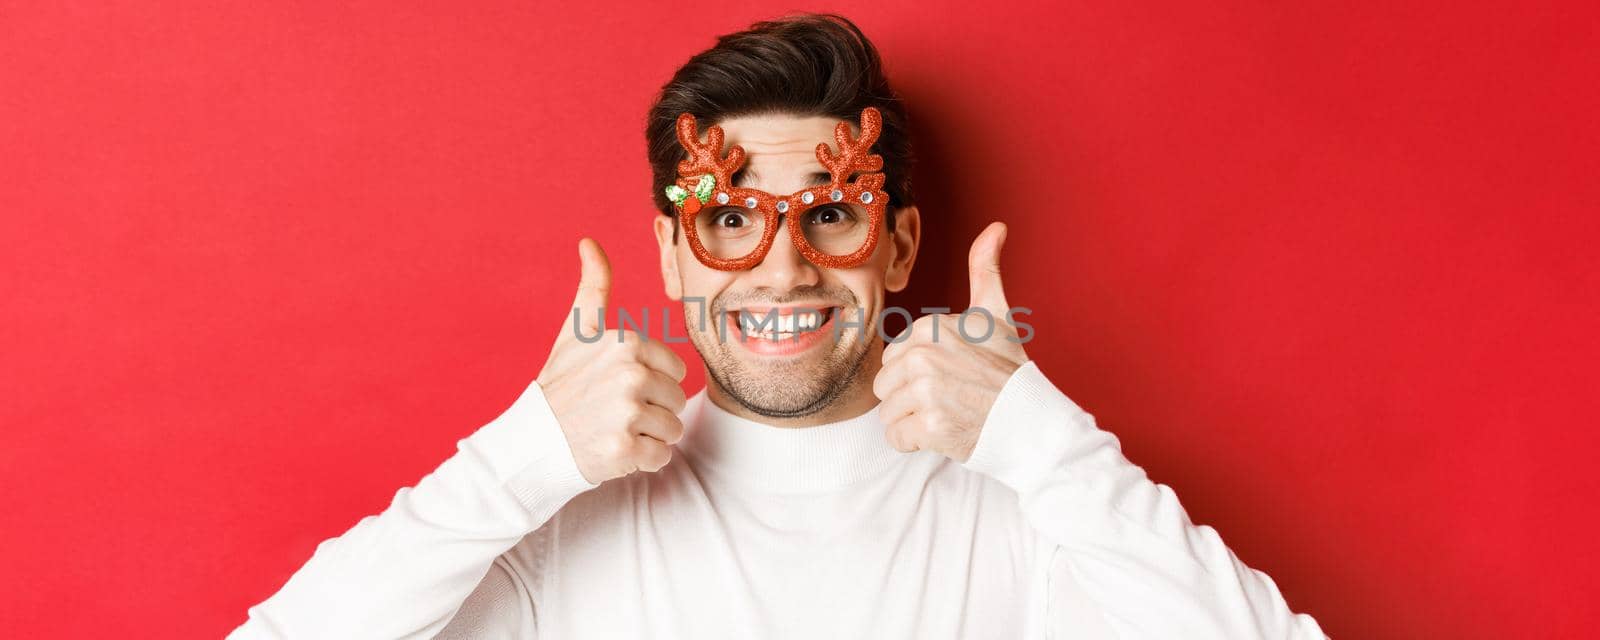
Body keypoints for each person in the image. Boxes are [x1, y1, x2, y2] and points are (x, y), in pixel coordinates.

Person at [230, 13, 1329, 639]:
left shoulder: (1024, 514)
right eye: (726, 221)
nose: (782, 266)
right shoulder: (561, 521)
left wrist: (1040, 441)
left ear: (898, 246)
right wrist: (519, 456)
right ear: (669, 252)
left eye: (832, 214)